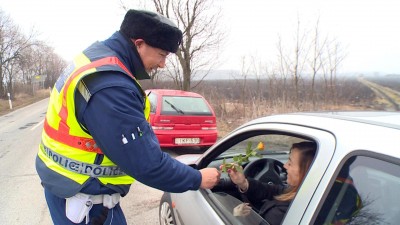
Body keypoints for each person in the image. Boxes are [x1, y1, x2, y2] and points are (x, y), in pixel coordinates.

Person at [35, 9, 220, 225]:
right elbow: (147, 164)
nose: (162, 64)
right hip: (87, 205)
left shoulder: (95, 58)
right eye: (162, 55)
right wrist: (197, 179)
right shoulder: (110, 85)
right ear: (139, 43)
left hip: (69, 189)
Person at [227, 141, 317, 225]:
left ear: (306, 171)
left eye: (290, 163)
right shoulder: (299, 193)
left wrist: (237, 218)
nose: (285, 165)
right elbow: (272, 190)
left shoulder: (281, 214)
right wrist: (243, 183)